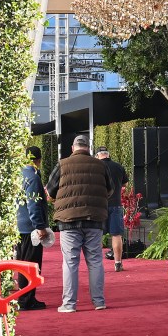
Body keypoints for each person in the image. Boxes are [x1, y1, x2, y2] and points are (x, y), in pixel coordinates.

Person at [45, 134, 115, 313]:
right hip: (94, 219)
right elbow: (110, 189)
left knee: (70, 262)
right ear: (88, 148)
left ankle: (69, 304)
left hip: (68, 220)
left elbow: (50, 189)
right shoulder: (100, 165)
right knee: (95, 261)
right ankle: (99, 301)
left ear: (72, 148)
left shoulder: (62, 164)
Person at [15, 146, 48, 310]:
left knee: (22, 263)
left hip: (18, 225)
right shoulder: (33, 178)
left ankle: (23, 297)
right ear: (39, 160)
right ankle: (27, 299)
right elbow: (33, 204)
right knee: (32, 264)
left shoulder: (18, 174)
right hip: (30, 228)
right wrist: (40, 226)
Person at [96, 147, 130, 271]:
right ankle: (117, 263)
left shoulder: (95, 167)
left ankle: (97, 265)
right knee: (116, 235)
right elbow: (125, 184)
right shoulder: (118, 166)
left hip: (99, 205)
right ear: (108, 155)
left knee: (97, 235)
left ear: (98, 155)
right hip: (116, 204)